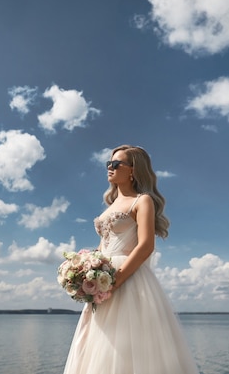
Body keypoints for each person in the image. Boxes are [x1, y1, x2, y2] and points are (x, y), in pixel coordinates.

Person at [63, 145, 199, 374]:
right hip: (102, 281)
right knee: (100, 346)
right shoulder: (111, 204)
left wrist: (117, 280)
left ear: (133, 170)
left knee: (129, 350)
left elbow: (146, 245)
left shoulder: (142, 200)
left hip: (127, 279)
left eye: (117, 164)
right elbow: (103, 245)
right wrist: (83, 267)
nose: (110, 168)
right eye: (109, 164)